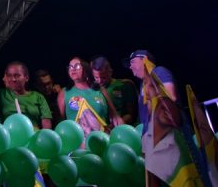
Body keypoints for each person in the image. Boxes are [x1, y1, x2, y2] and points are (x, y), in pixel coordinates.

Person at [127, 50, 203, 186]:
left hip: (170, 137)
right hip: (154, 143)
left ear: (144, 59)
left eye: (132, 62)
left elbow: (170, 98)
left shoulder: (159, 72)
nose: (130, 67)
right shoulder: (143, 85)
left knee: (186, 178)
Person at [57, 57, 122, 138]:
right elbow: (61, 122)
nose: (72, 69)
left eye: (77, 66)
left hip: (102, 139)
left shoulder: (100, 90)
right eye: (70, 67)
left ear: (86, 69)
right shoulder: (64, 92)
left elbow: (115, 116)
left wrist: (122, 133)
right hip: (77, 144)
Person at [0, 61, 52, 129]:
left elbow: (46, 122)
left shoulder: (38, 97)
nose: (13, 79)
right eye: (9, 76)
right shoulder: (1, 94)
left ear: (26, 77)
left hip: (34, 135)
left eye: (17, 76)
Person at [91, 56, 138, 125]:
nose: (100, 81)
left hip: (121, 129)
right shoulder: (93, 90)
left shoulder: (124, 85)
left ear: (110, 72)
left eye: (103, 77)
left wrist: (114, 126)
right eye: (96, 77)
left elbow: (132, 115)